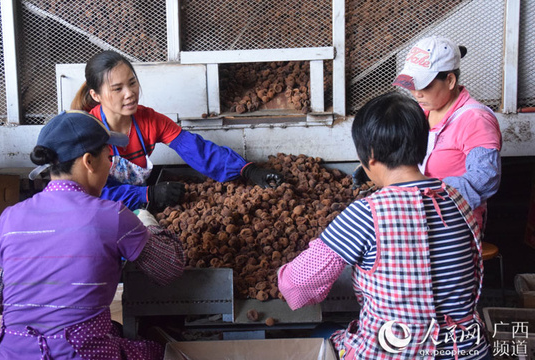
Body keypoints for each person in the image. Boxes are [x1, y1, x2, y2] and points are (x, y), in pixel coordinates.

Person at [277, 92, 491, 359]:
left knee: (316, 335)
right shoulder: (458, 199)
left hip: (397, 353)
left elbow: (297, 285)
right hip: (468, 351)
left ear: (371, 156)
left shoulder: (367, 214)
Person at [0, 110, 185, 359]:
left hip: (12, 354)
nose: (110, 165)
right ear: (88, 161)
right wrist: (148, 224)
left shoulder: (10, 217)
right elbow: (169, 268)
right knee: (158, 350)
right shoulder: (112, 215)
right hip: (82, 353)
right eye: (109, 157)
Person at [70, 50, 283, 211]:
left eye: (132, 83)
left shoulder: (149, 120)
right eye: (117, 89)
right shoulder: (84, 132)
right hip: (93, 211)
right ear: (95, 95)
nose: (130, 94)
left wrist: (247, 170)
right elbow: (88, 193)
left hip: (133, 206)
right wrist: (146, 194)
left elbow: (197, 150)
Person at [393, 36, 502, 230]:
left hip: (455, 220)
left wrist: (427, 190)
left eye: (425, 86)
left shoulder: (475, 119)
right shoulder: (424, 111)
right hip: (419, 210)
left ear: (450, 80)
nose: (417, 93)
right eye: (412, 86)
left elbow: (485, 178)